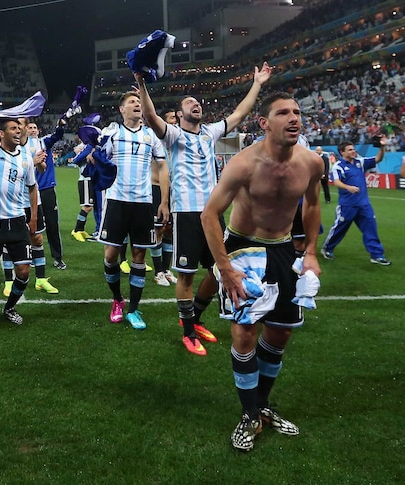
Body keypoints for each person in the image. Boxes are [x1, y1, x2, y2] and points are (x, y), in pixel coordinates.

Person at [200, 92, 324, 451]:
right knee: (244, 335)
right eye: (283, 112)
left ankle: (263, 405)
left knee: (281, 334)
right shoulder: (243, 164)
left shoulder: (312, 162)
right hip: (243, 247)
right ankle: (248, 413)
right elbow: (209, 215)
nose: (293, 118)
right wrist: (224, 267)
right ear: (264, 123)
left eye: (297, 112)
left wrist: (312, 251)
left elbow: (313, 205)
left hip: (284, 249)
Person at [136, 62, 272, 356]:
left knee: (219, 270)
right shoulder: (172, 135)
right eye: (189, 102)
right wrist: (142, 84)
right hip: (187, 214)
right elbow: (150, 115)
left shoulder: (209, 133)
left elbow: (239, 114)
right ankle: (187, 332)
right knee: (185, 276)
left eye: (197, 102)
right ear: (180, 112)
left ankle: (195, 318)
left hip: (214, 214)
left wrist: (257, 83)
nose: (195, 104)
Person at [95, 91, 169, 329]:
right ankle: (117, 299)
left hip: (143, 203)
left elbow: (163, 167)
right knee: (110, 256)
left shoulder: (151, 136)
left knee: (139, 256)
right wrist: (92, 156)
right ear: (121, 109)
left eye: (139, 102)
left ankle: (134, 310)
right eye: (132, 102)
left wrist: (164, 201)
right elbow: (94, 158)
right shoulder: (112, 132)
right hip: (116, 200)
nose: (137, 105)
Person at [0, 118, 43, 326]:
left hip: (17, 222)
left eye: (19, 128)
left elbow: (32, 187)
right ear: (1, 134)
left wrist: (33, 218)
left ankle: (9, 307)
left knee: (23, 271)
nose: (18, 130)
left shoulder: (26, 159)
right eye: (13, 128)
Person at [321, 138, 391, 265]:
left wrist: (382, 148)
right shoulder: (338, 166)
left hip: (364, 204)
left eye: (353, 149)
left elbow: (377, 159)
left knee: (371, 229)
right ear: (342, 152)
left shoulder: (360, 162)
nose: (354, 151)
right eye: (350, 150)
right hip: (347, 205)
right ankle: (327, 248)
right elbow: (336, 181)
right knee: (339, 229)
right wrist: (348, 187)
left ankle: (377, 255)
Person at [25, 119, 67, 271]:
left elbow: (57, 135)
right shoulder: (21, 146)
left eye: (35, 127)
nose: (33, 130)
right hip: (29, 191)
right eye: (30, 127)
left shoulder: (43, 142)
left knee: (52, 224)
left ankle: (58, 257)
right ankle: (29, 255)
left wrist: (61, 125)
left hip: (46, 189)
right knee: (30, 225)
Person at [152, 109, 178, 287]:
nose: (174, 121)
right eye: (171, 118)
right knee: (158, 231)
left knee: (170, 231)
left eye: (176, 118)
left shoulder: (179, 140)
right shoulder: (157, 140)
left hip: (175, 190)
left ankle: (166, 270)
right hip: (157, 189)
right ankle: (158, 271)